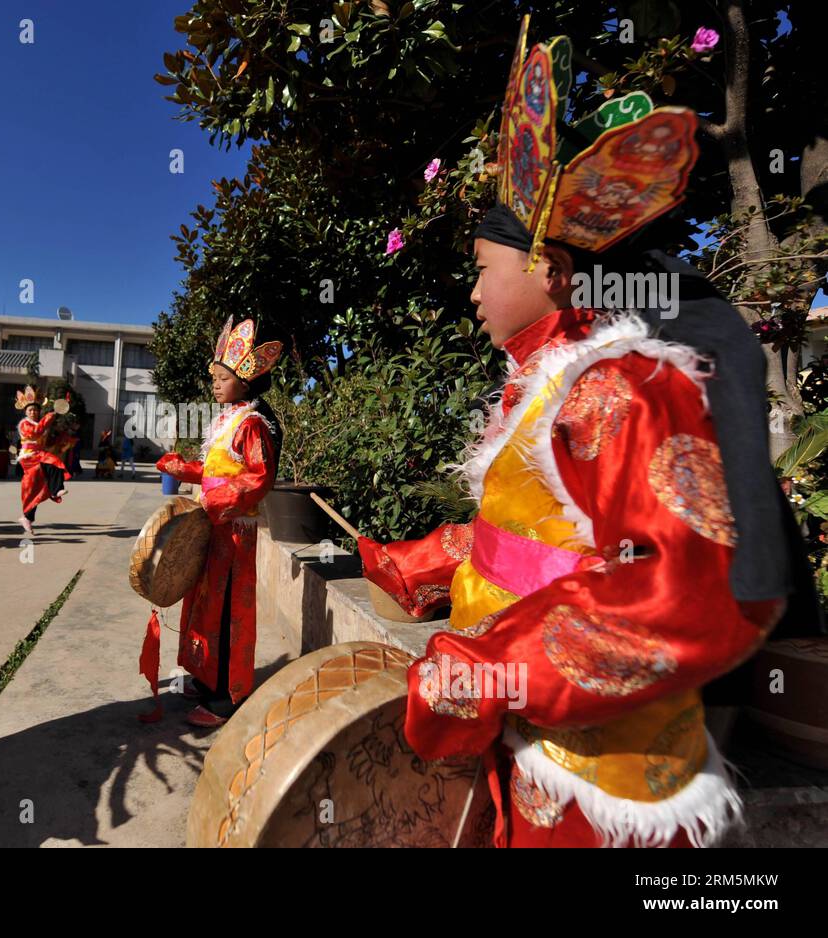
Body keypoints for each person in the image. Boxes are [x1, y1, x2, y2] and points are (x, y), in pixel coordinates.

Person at [358, 24, 807, 848]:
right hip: (532, 734)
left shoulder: (619, 387)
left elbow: (686, 591)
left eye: (482, 268)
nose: (471, 292)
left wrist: (491, 670)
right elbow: (534, 539)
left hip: (598, 771)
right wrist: (424, 560)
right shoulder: (546, 387)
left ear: (551, 272)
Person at [146, 317, 283, 727]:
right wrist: (183, 469)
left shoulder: (253, 424)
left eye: (224, 378)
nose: (216, 384)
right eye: (216, 377)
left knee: (226, 612)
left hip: (234, 533)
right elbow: (212, 469)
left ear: (246, 381)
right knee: (204, 604)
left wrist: (215, 501)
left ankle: (227, 697)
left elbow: (259, 478)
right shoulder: (226, 421)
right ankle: (207, 680)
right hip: (214, 527)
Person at [15, 386, 68, 535]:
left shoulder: (39, 425)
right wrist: (47, 419)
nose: (33, 412)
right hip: (29, 457)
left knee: (35, 489)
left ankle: (27, 518)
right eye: (30, 410)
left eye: (36, 410)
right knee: (54, 463)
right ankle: (56, 490)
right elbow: (35, 432)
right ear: (25, 412)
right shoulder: (24, 424)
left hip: (38, 454)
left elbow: (44, 441)